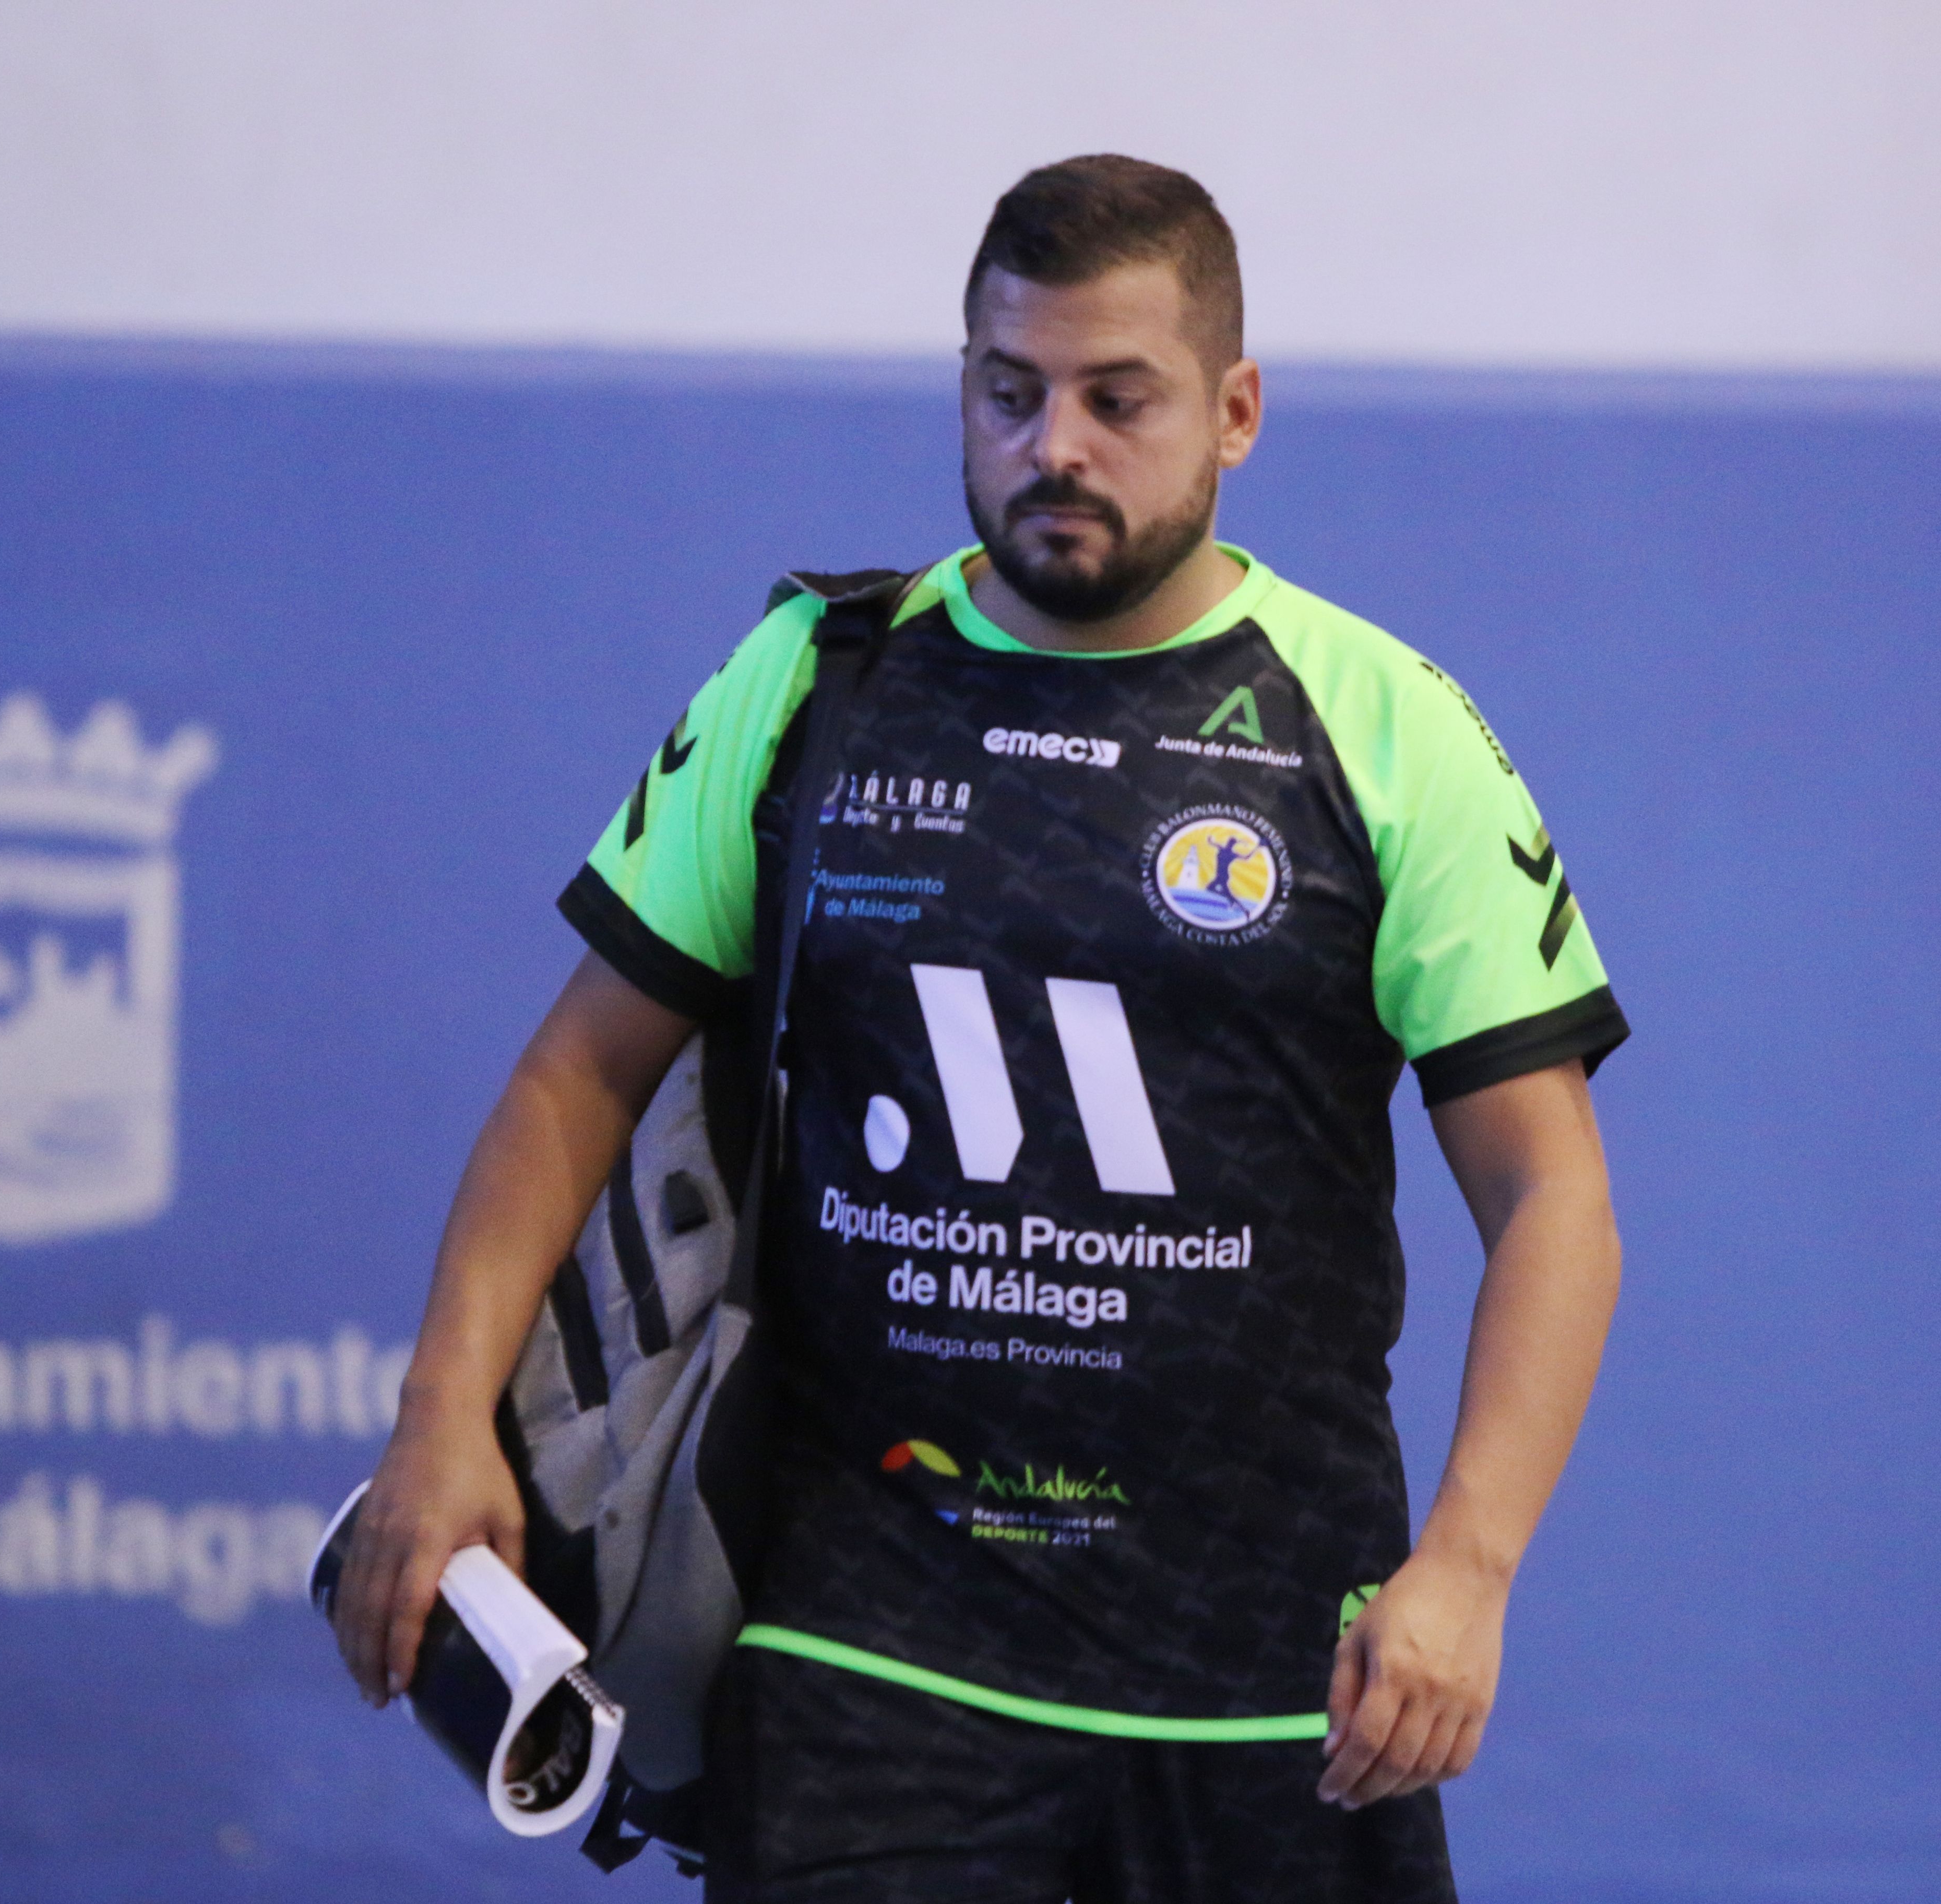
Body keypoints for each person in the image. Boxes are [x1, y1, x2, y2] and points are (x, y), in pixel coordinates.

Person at [332, 154, 1627, 1902]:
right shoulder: (814, 681)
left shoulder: (1384, 730)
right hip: (870, 1643)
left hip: (1269, 1674)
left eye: (1118, 398)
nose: (1055, 447)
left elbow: (1551, 1196)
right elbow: (578, 1071)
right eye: (1008, 393)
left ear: (1234, 410)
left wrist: (1466, 1568)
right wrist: (441, 1417)